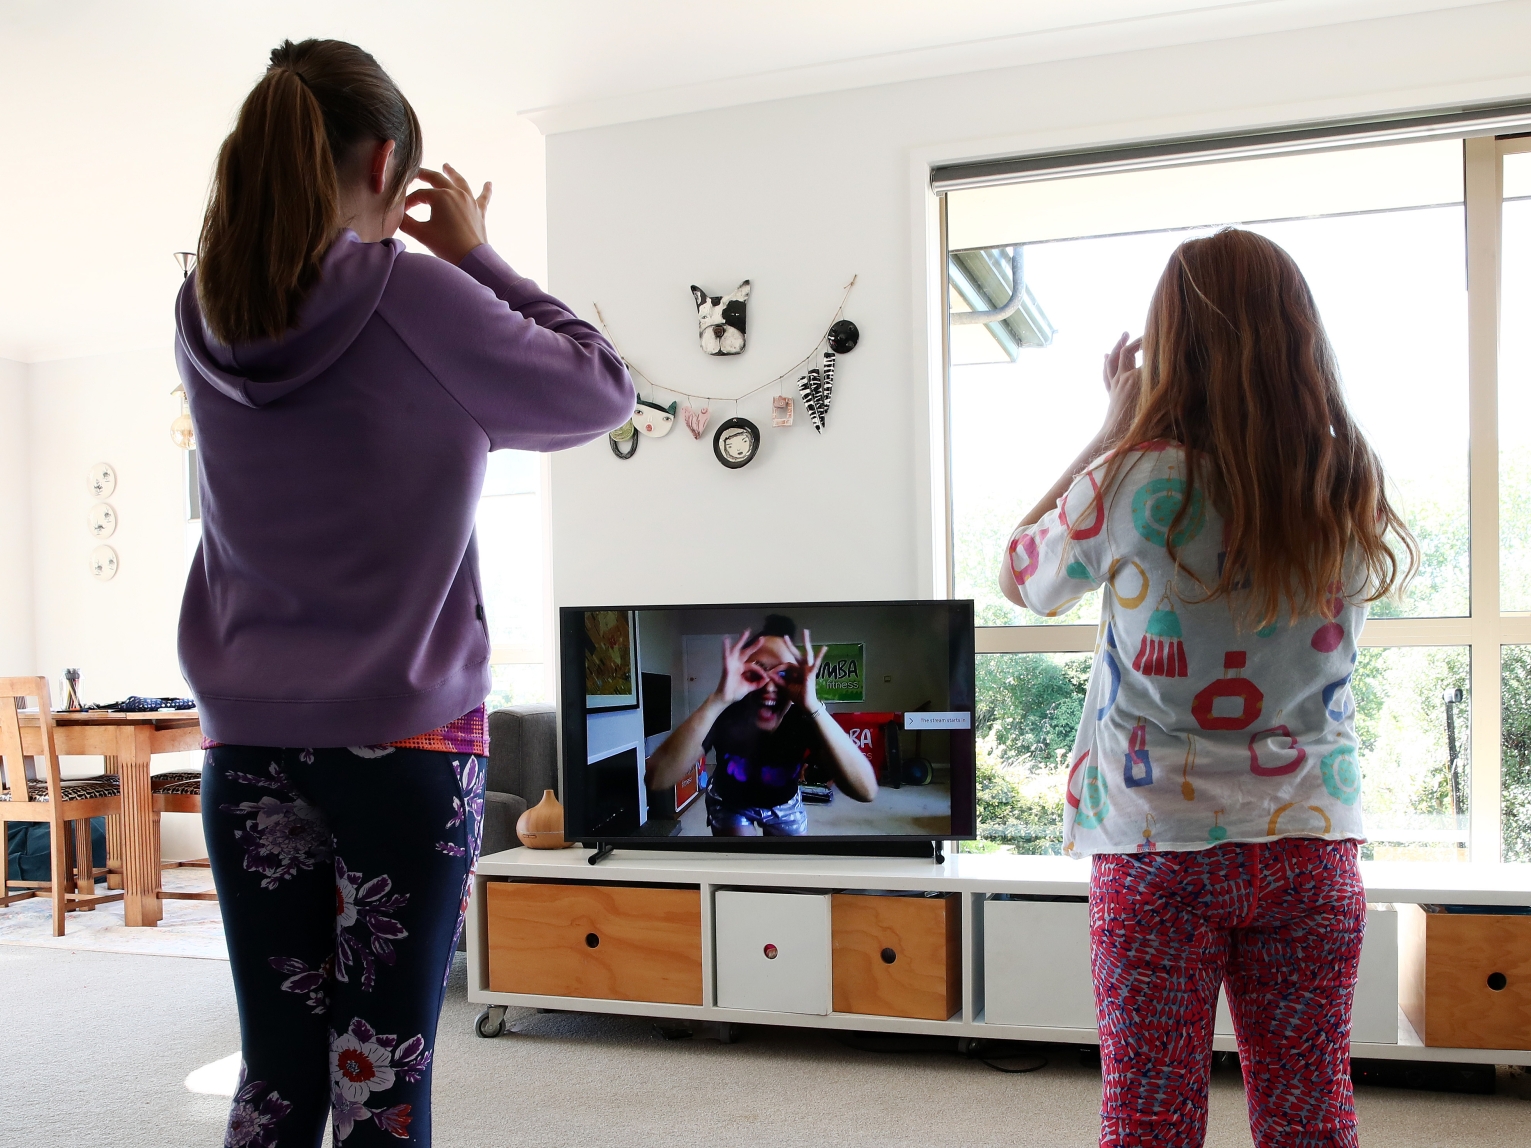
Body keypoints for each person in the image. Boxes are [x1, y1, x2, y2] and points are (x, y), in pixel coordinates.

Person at [176, 39, 633, 1147]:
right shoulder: (415, 294)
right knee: (380, 1079)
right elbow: (600, 387)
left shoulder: (204, 305)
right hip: (407, 746)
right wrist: (479, 255)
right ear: (388, 163)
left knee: (275, 1076)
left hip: (246, 748)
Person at [998, 228, 1416, 1148]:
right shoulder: (1345, 480)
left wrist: (1111, 423)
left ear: (1169, 344)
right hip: (1310, 837)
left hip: (1155, 846)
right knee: (1310, 1107)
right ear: (1300, 339)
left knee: (1149, 1113)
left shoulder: (1130, 478)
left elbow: (1020, 575)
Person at [646, 615, 878, 834]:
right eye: (757, 670)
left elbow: (866, 791)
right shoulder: (727, 710)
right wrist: (717, 700)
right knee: (741, 867)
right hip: (730, 803)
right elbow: (657, 778)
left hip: (785, 803)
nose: (769, 686)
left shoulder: (804, 716)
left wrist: (815, 707)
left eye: (784, 674)